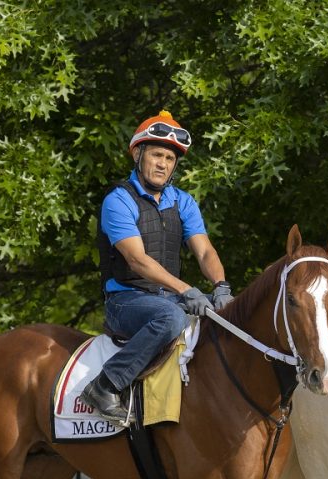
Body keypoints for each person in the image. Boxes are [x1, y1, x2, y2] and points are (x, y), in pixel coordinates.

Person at [81, 110, 235, 423]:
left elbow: (204, 250)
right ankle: (106, 384)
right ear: (138, 154)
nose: (163, 163)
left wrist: (221, 287)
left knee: (229, 321)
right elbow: (137, 260)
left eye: (169, 158)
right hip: (126, 301)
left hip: (168, 298)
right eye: (156, 155)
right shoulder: (118, 200)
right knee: (172, 318)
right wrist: (186, 289)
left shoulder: (183, 201)